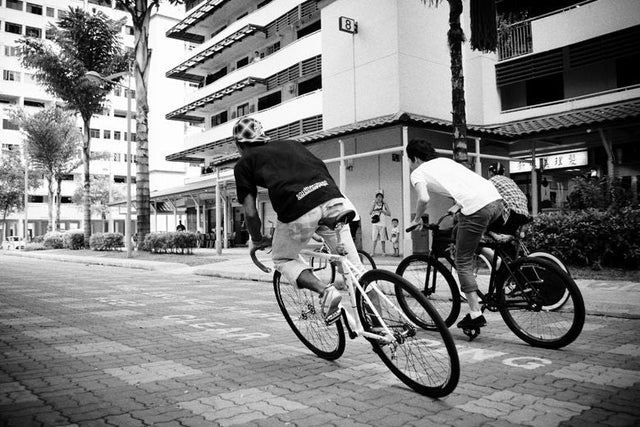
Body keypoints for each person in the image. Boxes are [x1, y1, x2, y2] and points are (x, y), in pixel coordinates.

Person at [233, 117, 364, 322]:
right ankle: (382, 329)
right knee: (357, 272)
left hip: (299, 210)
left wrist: (257, 239)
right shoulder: (292, 144)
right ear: (262, 135)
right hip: (334, 200)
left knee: (283, 258)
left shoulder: (243, 163)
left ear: (239, 145)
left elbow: (250, 212)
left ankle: (325, 290)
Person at [406, 139, 503, 333]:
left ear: (415, 158)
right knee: (461, 235)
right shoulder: (445, 162)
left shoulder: (418, 172)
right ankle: (496, 261)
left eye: (409, 160)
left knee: (462, 259)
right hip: (496, 201)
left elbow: (424, 198)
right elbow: (468, 186)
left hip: (476, 209)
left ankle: (475, 314)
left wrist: (417, 218)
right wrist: (457, 206)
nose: (409, 164)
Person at [487, 162, 530, 236]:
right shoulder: (511, 181)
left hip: (510, 213)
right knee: (509, 238)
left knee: (486, 228)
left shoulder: (491, 181)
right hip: (524, 214)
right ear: (503, 173)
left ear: (490, 173)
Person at [369, 192, 390, 256]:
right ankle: (372, 252)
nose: (379, 198)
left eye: (380, 197)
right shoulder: (374, 204)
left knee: (383, 239)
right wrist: (373, 205)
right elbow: (370, 212)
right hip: (375, 224)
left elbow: (389, 214)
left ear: (382, 198)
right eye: (378, 197)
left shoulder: (384, 205)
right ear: (376, 198)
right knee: (374, 239)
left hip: (383, 224)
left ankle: (383, 252)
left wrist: (383, 211)